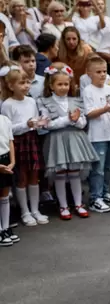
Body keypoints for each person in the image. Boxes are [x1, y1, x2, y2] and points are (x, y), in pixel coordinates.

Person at [38, 63, 98, 220]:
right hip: (57, 140)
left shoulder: (75, 101)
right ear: (51, 86)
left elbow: (83, 123)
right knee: (60, 174)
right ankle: (63, 205)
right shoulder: (45, 102)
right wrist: (67, 119)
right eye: (59, 84)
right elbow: (48, 124)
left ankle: (78, 204)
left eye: (66, 84)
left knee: (74, 173)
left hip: (75, 139)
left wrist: (76, 121)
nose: (64, 87)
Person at [0, 63, 49, 226]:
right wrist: (26, 125)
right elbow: (9, 129)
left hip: (32, 140)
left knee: (34, 176)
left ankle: (35, 210)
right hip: (19, 143)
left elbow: (33, 120)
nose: (26, 86)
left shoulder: (31, 101)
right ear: (11, 85)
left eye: (27, 82)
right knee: (21, 178)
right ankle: (25, 211)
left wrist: (39, 123)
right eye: (21, 83)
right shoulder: (7, 104)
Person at [83, 56, 110, 213]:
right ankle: (95, 197)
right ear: (89, 73)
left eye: (104, 71)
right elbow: (90, 113)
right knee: (98, 168)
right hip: (97, 135)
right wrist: (106, 109)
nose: (102, 75)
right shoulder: (88, 90)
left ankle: (105, 192)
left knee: (109, 166)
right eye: (98, 72)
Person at [0, 112, 18, 246]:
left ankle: (6, 227)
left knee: (5, 195)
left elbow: (10, 141)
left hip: (5, 159)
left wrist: (12, 161)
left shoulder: (5, 119)